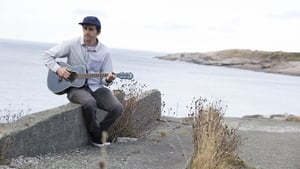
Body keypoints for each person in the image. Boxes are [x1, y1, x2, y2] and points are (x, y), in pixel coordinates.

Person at [42, 16, 123, 147]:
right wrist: (58, 69)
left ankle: (99, 134)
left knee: (117, 108)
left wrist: (108, 79)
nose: (86, 32)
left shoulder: (105, 51)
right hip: (75, 88)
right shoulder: (71, 44)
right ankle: (95, 134)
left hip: (96, 87)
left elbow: (105, 80)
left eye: (91, 29)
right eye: (84, 28)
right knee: (89, 102)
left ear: (98, 32)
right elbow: (47, 55)